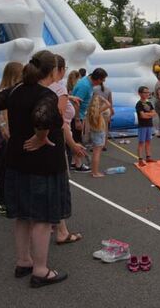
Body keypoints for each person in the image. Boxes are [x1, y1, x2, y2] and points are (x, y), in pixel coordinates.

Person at [0, 50, 70, 288]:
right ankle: (41, 271)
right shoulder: (46, 94)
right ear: (52, 71)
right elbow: (42, 118)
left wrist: (2, 125)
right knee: (41, 218)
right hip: (42, 163)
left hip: (17, 160)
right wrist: (41, 136)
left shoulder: (16, 90)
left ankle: (24, 261)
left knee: (22, 215)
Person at [49, 55, 87, 243]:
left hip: (46, 141)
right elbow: (61, 122)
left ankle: (51, 224)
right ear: (61, 70)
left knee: (47, 184)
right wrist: (73, 144)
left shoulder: (41, 87)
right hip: (56, 142)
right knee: (58, 185)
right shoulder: (59, 88)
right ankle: (61, 229)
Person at [0, 61, 23, 213]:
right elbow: (5, 115)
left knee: (7, 167)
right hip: (9, 135)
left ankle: (4, 197)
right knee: (6, 168)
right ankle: (2, 198)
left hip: (9, 134)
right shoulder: (7, 91)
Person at [71, 68, 108, 172]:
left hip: (81, 114)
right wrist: (77, 119)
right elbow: (76, 102)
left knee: (76, 138)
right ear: (97, 79)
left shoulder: (88, 84)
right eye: (102, 80)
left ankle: (74, 162)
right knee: (78, 139)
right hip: (77, 116)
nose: (102, 83)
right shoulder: (85, 86)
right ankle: (78, 164)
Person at [87, 93, 111, 177]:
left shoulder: (91, 111)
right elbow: (108, 104)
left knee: (95, 152)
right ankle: (95, 172)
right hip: (99, 132)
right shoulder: (99, 111)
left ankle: (94, 171)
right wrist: (103, 99)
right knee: (97, 153)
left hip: (94, 131)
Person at [136, 86, 157, 166]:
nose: (147, 94)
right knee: (141, 142)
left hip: (149, 125)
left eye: (148, 92)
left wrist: (147, 114)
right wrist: (149, 114)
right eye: (145, 92)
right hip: (142, 125)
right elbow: (142, 116)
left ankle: (148, 157)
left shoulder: (149, 103)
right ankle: (140, 159)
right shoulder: (139, 104)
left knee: (148, 141)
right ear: (140, 94)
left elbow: (154, 113)